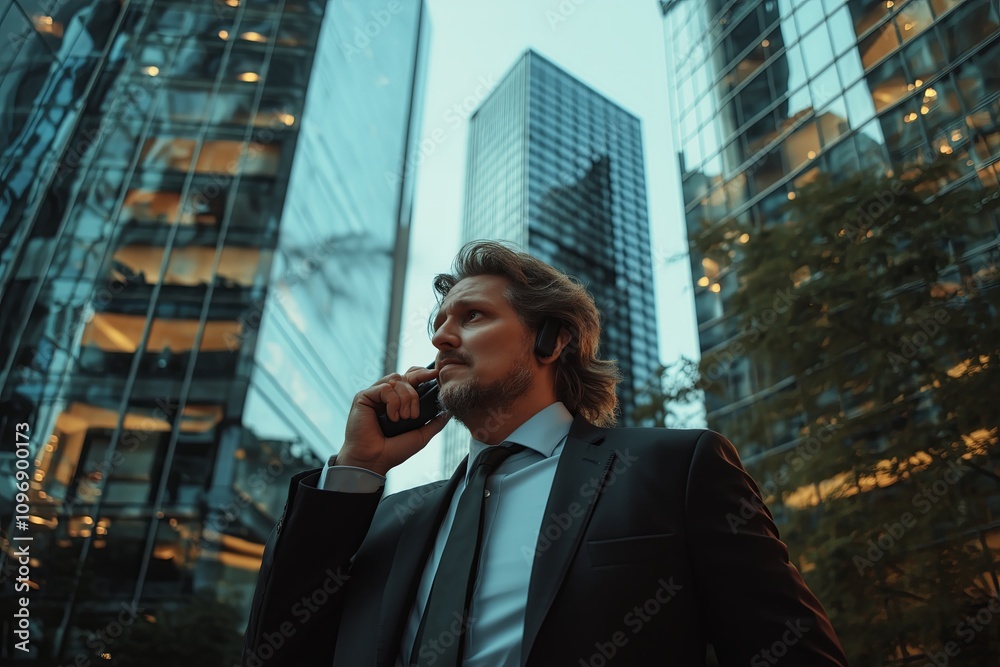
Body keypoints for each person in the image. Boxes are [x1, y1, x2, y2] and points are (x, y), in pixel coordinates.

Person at [242, 241, 848, 667]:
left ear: (552, 339)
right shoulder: (392, 520)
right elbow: (277, 650)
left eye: (473, 316)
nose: (441, 337)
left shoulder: (674, 470)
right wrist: (357, 468)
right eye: (439, 323)